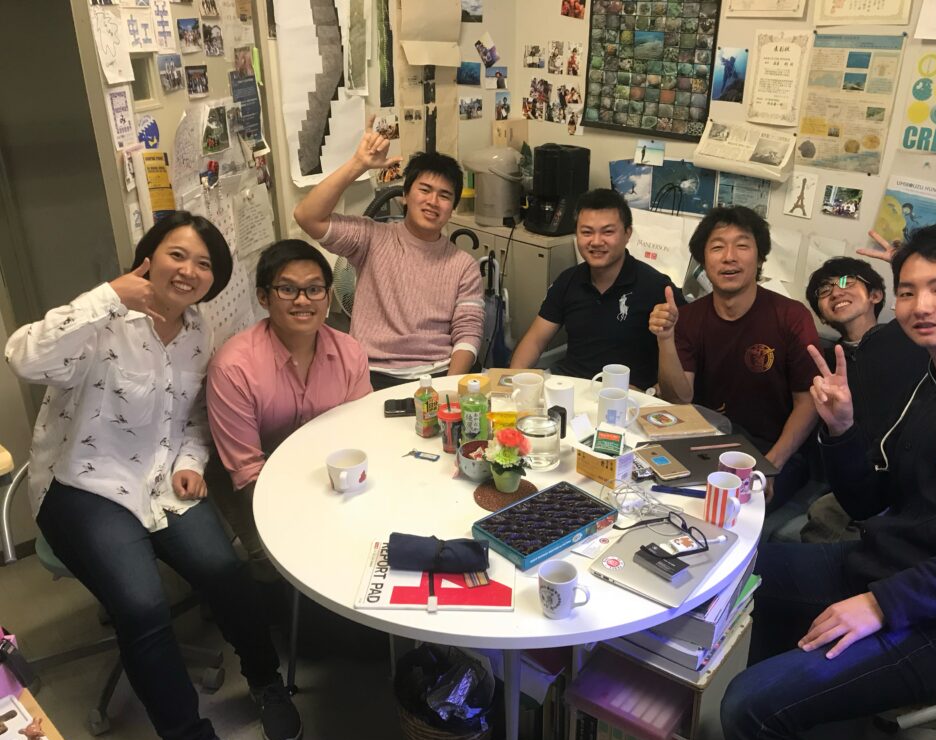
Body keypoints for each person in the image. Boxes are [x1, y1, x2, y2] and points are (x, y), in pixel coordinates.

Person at [720, 220, 936, 740]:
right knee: (735, 568)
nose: (920, 305)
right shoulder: (931, 383)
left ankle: (770, 721)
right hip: (884, 565)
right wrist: (840, 428)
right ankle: (792, 720)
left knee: (748, 708)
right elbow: (866, 502)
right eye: (908, 291)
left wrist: (883, 604)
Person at [4, 212, 301, 740]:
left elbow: (191, 419)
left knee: (226, 571)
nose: (189, 271)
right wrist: (107, 296)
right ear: (148, 257)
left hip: (161, 481)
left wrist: (191, 460)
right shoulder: (101, 318)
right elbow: (23, 356)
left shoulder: (198, 333)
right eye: (177, 255)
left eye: (204, 264)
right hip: (82, 485)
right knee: (142, 605)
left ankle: (267, 683)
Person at [801, 242, 936, 542]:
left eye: (845, 282)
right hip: (872, 476)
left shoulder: (913, 333)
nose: (835, 292)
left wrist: (915, 267)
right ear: (823, 317)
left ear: (876, 296)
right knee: (822, 513)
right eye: (823, 292)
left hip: (923, 483)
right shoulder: (828, 367)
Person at [206, 239, 372, 582]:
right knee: (288, 570)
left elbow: (361, 431)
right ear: (264, 297)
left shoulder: (349, 352)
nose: (302, 301)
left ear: (328, 297)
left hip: (327, 476)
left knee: (363, 549)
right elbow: (246, 470)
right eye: (287, 289)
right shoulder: (234, 367)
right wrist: (301, 520)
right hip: (253, 488)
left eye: (314, 290)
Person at [293, 118, 484, 390]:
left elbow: (468, 331)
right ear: (404, 195)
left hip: (439, 373)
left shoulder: (463, 265)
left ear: (452, 207)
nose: (432, 201)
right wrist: (357, 165)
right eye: (425, 190)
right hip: (373, 374)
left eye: (444, 195)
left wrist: (448, 389)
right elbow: (307, 216)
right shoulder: (371, 237)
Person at [649, 205, 820, 510]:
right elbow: (679, 398)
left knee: (737, 508)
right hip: (707, 441)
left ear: (760, 257)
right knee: (658, 496)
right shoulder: (687, 319)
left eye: (742, 245)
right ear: (703, 261)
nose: (729, 256)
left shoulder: (791, 316)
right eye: (717, 247)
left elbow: (808, 402)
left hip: (775, 450)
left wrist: (770, 466)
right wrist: (665, 339)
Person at [509, 189, 682, 390]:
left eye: (608, 232)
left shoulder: (655, 286)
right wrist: (515, 384)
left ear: (627, 234)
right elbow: (536, 341)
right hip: (572, 389)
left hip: (626, 398)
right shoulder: (568, 281)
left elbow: (684, 363)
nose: (596, 241)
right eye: (587, 232)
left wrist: (652, 391)